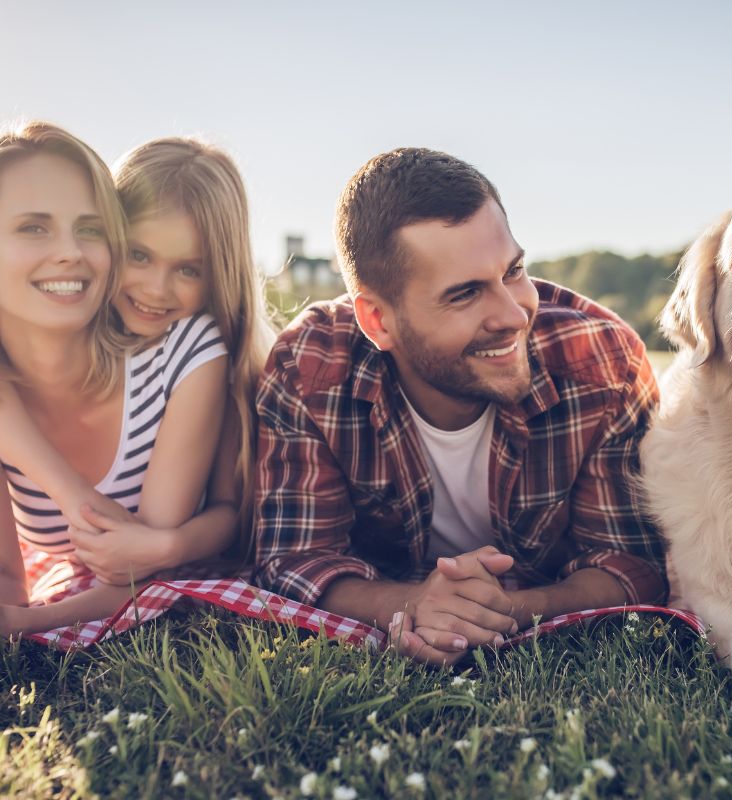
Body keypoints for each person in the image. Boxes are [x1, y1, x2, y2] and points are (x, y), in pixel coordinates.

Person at [253, 147, 666, 667]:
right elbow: (294, 558)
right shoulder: (309, 366)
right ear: (377, 321)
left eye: (514, 270)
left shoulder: (602, 360)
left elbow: (632, 562)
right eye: (465, 294)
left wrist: (513, 609)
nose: (514, 314)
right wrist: (410, 605)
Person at [0, 124, 270, 658]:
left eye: (87, 229)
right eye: (34, 228)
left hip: (181, 554)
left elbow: (139, 572)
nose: (68, 252)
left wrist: (11, 623)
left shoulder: (184, 349)